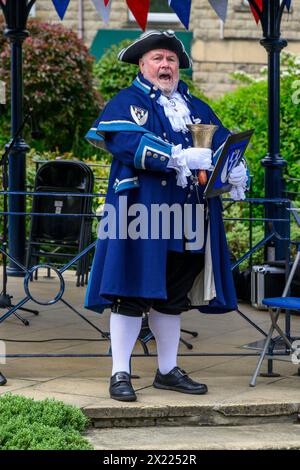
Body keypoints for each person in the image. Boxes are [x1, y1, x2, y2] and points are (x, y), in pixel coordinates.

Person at [85, 30, 248, 402]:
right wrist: (177, 157)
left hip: (189, 216)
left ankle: (166, 370)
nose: (165, 65)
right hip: (140, 216)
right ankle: (120, 373)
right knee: (130, 292)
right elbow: (125, 142)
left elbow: (223, 145)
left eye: (171, 60)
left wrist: (236, 169)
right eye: (158, 58)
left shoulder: (197, 106)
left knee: (172, 296)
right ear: (142, 65)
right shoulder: (127, 101)